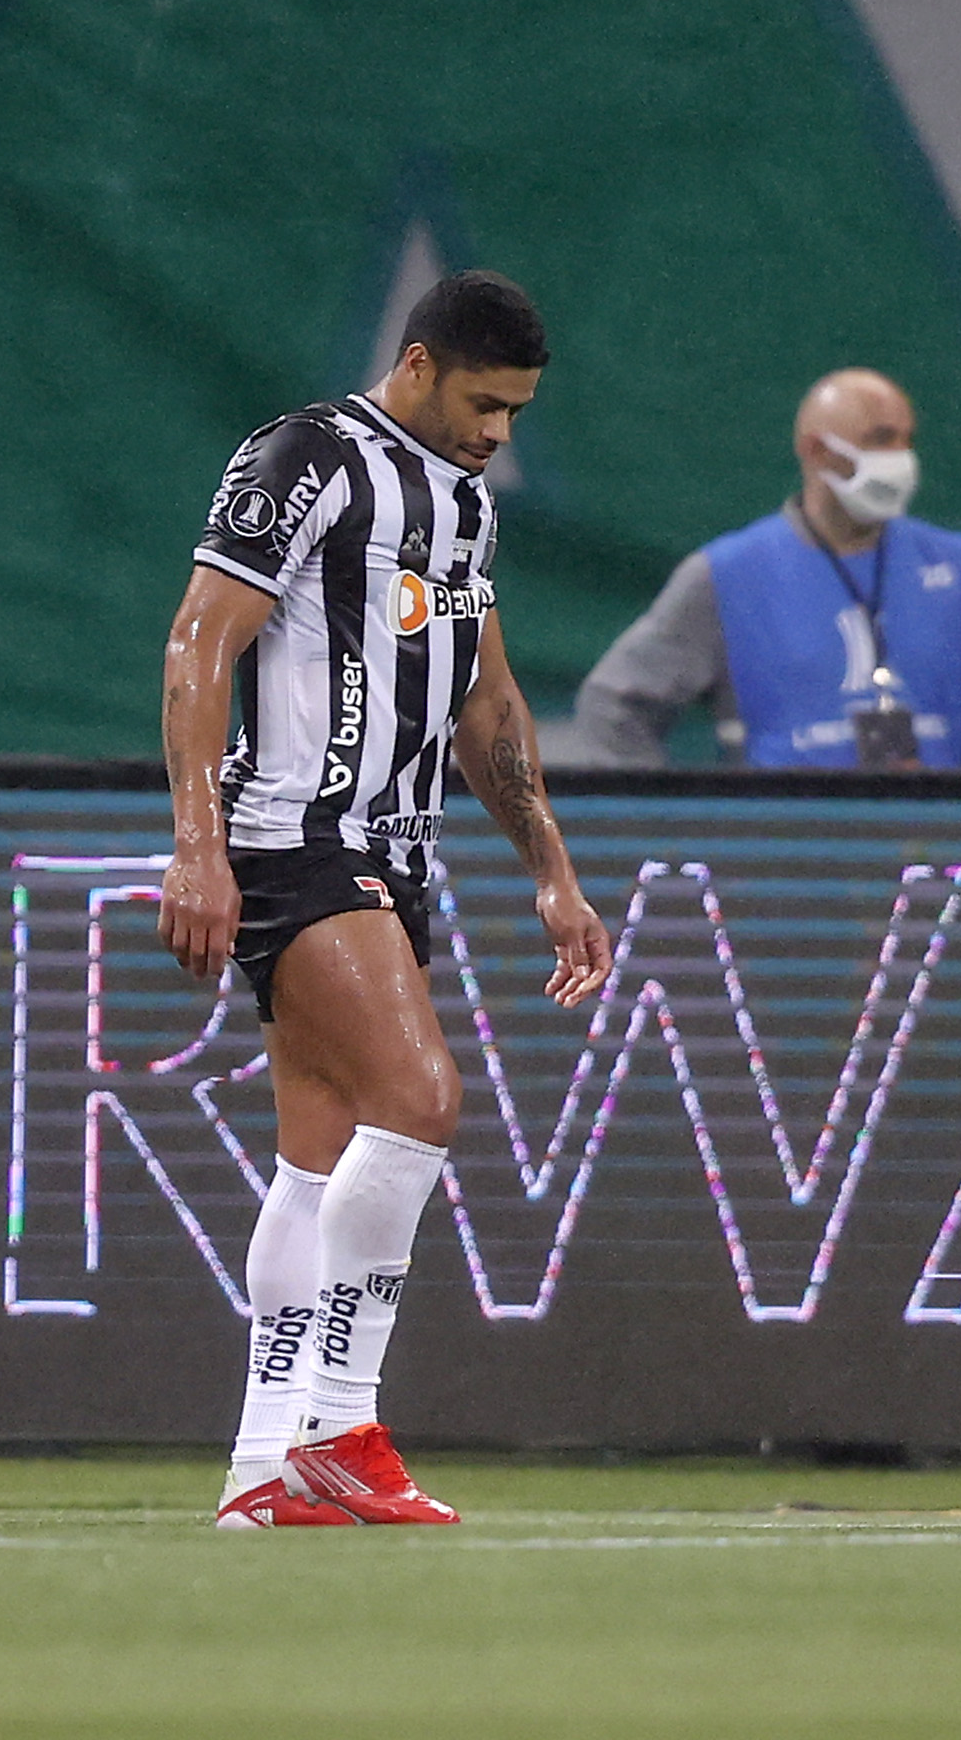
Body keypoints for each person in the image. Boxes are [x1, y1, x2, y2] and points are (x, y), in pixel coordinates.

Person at [159, 270, 611, 1529]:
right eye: (483, 402)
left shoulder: (464, 507)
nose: (497, 433)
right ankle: (340, 1425)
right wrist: (195, 843)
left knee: (314, 1155)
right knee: (421, 1098)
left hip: (394, 855)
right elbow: (203, 639)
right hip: (294, 834)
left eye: (518, 413)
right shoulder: (307, 455)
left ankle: (261, 1467)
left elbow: (491, 708)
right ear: (416, 366)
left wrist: (552, 873)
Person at [572, 368, 961, 771]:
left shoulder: (956, 570)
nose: (901, 460)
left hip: (941, 863)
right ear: (817, 451)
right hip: (783, 863)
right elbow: (613, 704)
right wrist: (663, 833)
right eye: (880, 440)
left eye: (908, 440)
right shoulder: (728, 576)